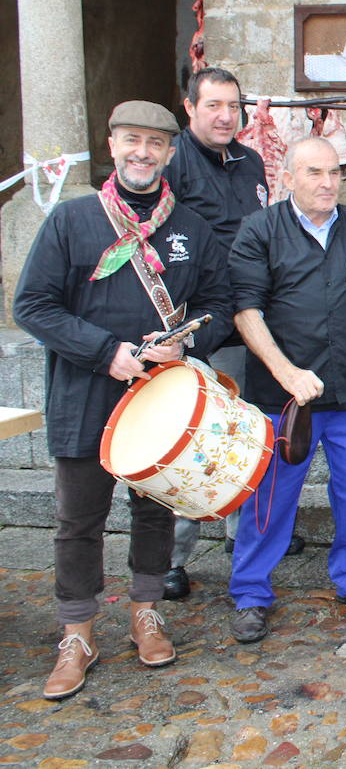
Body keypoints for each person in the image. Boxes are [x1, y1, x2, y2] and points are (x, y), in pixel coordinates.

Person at [13, 101, 234, 699]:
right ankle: (77, 632)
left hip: (160, 397)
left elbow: (219, 304)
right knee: (77, 520)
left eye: (155, 143)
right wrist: (105, 351)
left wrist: (183, 347)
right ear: (111, 145)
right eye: (131, 140)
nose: (143, 152)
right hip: (86, 392)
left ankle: (145, 610)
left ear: (169, 152)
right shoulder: (72, 221)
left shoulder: (189, 228)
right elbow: (32, 305)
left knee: (154, 509)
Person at [227, 137, 346, 644]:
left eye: (334, 172)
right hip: (284, 399)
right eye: (314, 172)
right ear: (287, 178)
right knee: (269, 497)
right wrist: (286, 372)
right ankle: (250, 592)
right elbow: (246, 310)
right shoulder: (260, 231)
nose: (327, 182)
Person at [162, 67, 301, 601]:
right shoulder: (173, 163)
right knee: (190, 441)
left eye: (233, 106)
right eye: (214, 105)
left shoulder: (247, 162)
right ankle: (173, 556)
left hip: (250, 320)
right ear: (189, 107)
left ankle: (239, 535)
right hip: (195, 325)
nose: (225, 116)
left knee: (242, 435)